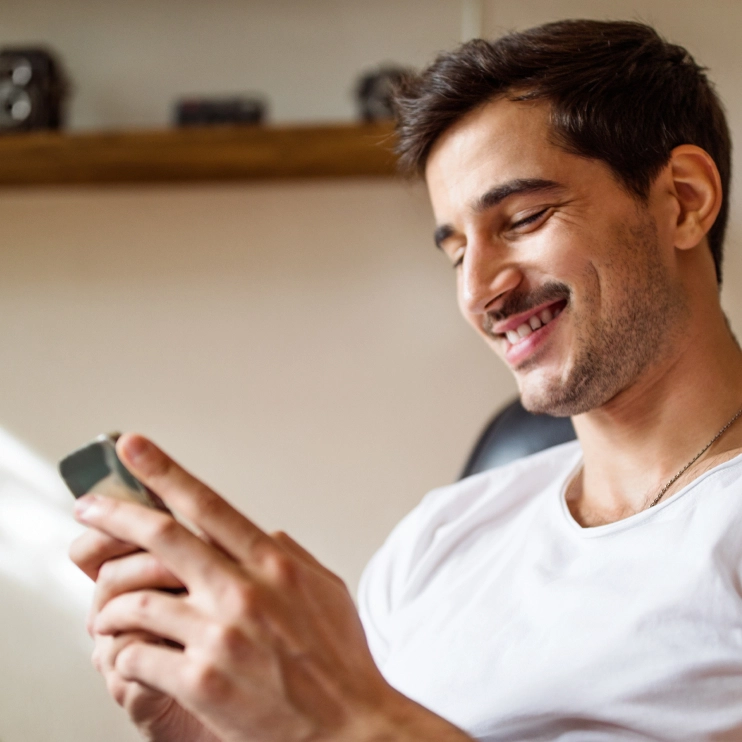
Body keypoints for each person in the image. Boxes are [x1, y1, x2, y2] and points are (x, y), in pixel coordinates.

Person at [69, 19, 742, 741]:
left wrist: (350, 721)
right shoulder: (440, 536)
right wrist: (228, 728)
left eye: (523, 217)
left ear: (683, 199)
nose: (480, 290)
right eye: (455, 253)